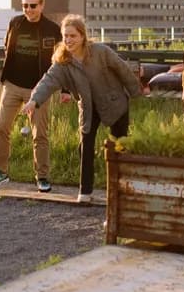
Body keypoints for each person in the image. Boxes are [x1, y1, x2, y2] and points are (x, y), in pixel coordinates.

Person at [22, 14, 142, 203]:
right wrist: (34, 101)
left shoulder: (100, 51)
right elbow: (48, 80)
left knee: (120, 147)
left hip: (114, 102)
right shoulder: (62, 61)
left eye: (73, 36)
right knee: (85, 147)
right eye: (65, 36)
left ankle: (122, 190)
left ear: (83, 36)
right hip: (88, 106)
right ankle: (85, 191)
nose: (68, 40)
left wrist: (136, 92)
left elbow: (122, 69)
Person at [0, 0, 66, 193]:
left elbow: (62, 61)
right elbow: (6, 47)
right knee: (2, 127)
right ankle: (0, 172)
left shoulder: (52, 29)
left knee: (40, 135)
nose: (28, 9)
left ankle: (42, 176)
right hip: (12, 85)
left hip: (39, 89)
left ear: (42, 5)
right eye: (25, 5)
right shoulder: (15, 23)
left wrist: (65, 89)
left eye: (33, 5)